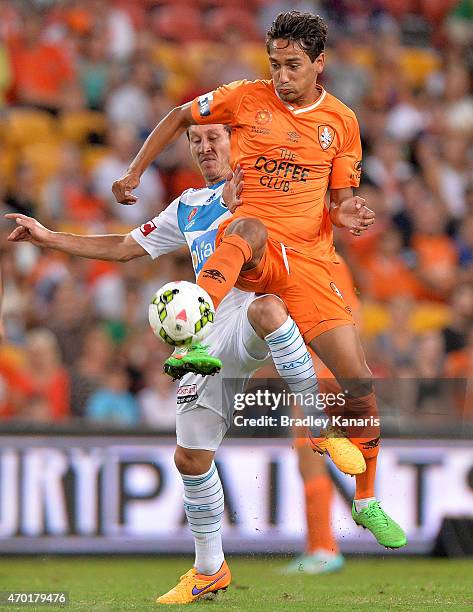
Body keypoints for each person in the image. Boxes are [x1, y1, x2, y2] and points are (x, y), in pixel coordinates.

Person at [7, 123, 369, 604]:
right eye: (195, 141)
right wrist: (49, 238)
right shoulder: (189, 206)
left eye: (215, 137)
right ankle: (209, 569)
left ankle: (320, 424)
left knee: (267, 309)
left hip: (251, 314)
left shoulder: (266, 187)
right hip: (206, 337)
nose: (205, 148)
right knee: (191, 459)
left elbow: (316, 195)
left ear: (236, 141)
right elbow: (123, 247)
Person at [111, 10, 406, 553]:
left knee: (360, 381)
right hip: (256, 246)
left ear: (320, 64)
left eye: (293, 65)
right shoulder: (245, 98)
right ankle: (195, 336)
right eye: (274, 64)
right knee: (246, 225)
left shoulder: (341, 122)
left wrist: (350, 214)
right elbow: (180, 115)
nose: (281, 76)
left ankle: (366, 499)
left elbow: (336, 204)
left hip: (311, 260)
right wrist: (135, 172)